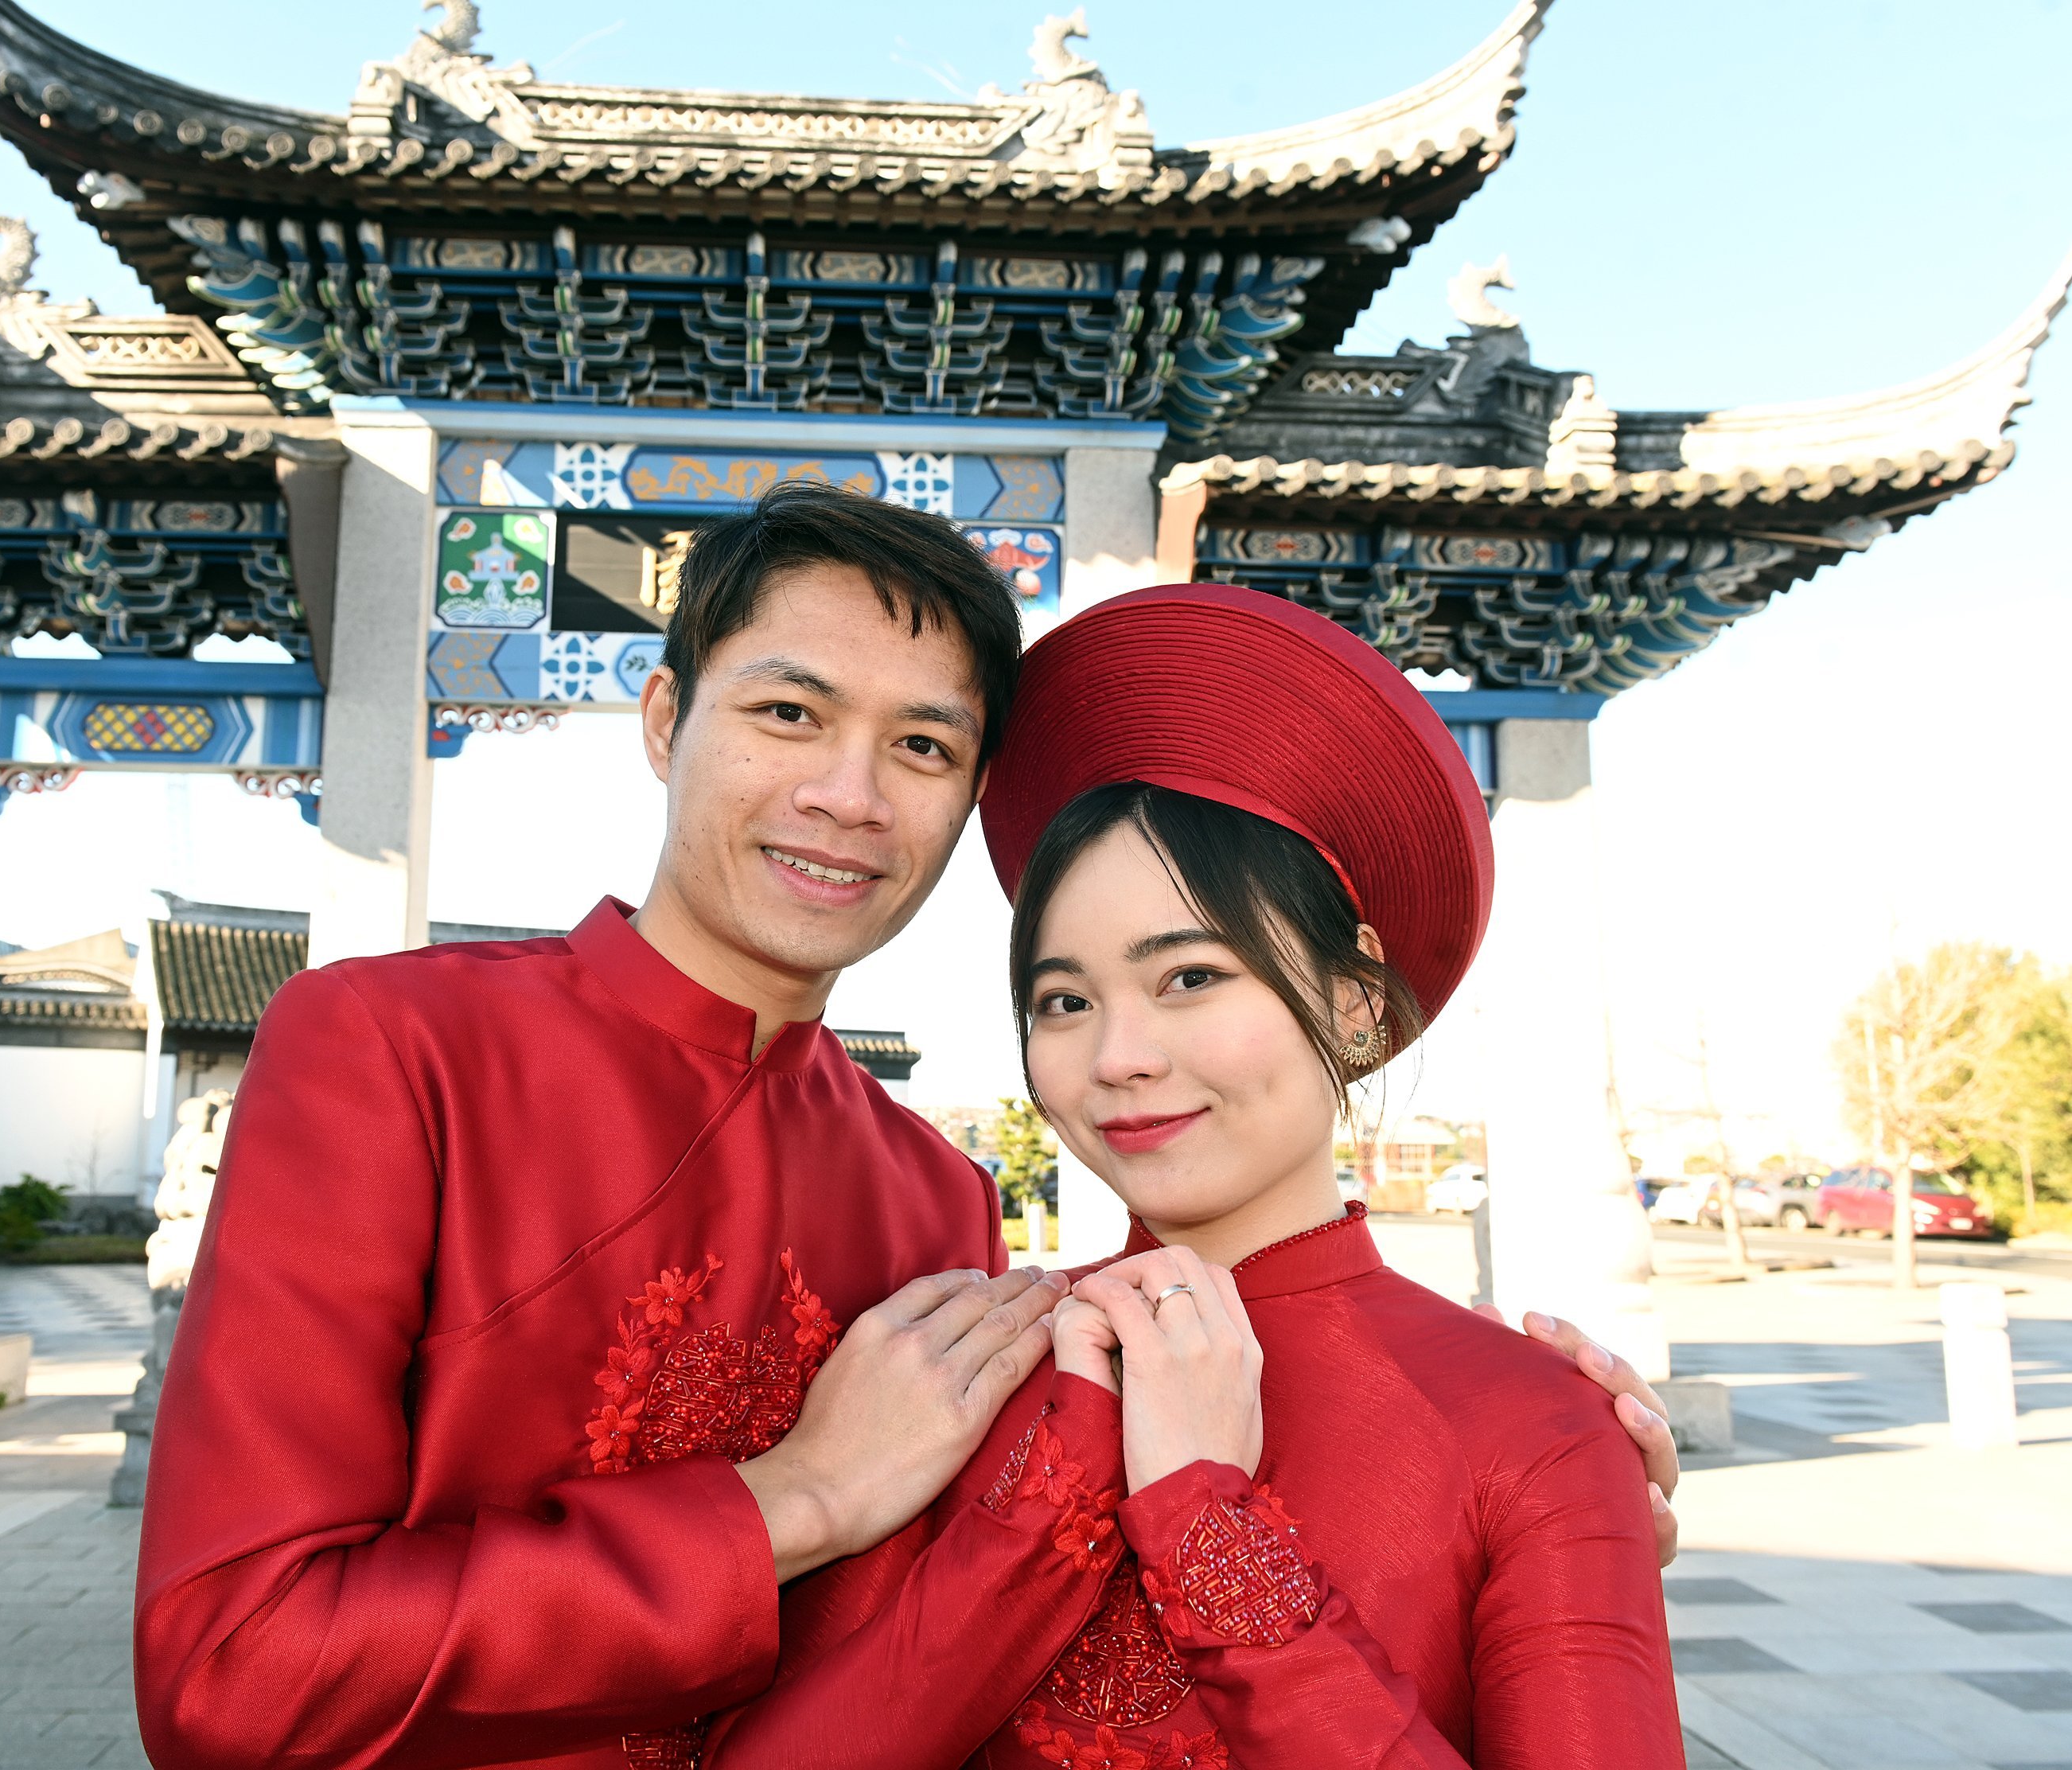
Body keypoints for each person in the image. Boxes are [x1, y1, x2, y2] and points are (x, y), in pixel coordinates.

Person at [133, 487, 1681, 1770]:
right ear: (664, 717)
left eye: (926, 747)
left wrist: (1523, 1494)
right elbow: (230, 1669)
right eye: (789, 711)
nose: (849, 794)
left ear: (1358, 1009)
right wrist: (792, 1498)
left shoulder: (940, 1215)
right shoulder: (391, 1049)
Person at [726, 583, 1681, 1768]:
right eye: (1064, 1000)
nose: (1119, 1058)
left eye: (1188, 978)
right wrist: (1044, 1513)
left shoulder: (1532, 1425)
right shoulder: (957, 1369)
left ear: (1349, 996)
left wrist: (1202, 1521)